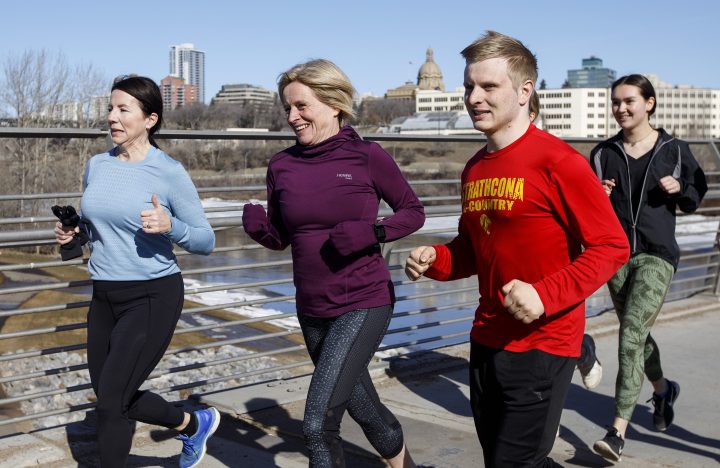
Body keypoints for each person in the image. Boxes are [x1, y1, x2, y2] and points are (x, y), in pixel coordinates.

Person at [404, 31, 629, 467]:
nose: (473, 97)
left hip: (545, 343)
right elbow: (472, 251)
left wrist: (545, 295)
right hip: (486, 336)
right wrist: (436, 260)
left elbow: (611, 247)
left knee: (513, 462)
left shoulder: (558, 161)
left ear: (526, 91)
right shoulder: (474, 168)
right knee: (502, 459)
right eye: (469, 85)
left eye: (489, 86)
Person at [242, 59, 424, 468]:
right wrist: (258, 228)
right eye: (287, 108)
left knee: (318, 424)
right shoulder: (281, 165)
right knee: (366, 410)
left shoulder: (367, 156)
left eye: (302, 106)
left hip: (363, 300)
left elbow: (413, 212)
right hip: (311, 307)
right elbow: (280, 238)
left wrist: (373, 232)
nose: (292, 117)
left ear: (334, 103)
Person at [54, 75, 219, 468]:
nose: (112, 117)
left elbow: (206, 240)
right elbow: (99, 229)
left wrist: (170, 226)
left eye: (123, 109)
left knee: (111, 402)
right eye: (110, 108)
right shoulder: (97, 165)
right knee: (114, 396)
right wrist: (74, 234)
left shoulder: (168, 171)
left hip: (151, 295)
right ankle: (192, 423)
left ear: (150, 119)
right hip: (105, 295)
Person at [589, 74, 707, 462]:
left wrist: (681, 190)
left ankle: (617, 430)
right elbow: (588, 210)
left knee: (630, 336)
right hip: (616, 255)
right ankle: (662, 390)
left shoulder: (674, 149)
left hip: (657, 254)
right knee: (635, 333)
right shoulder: (602, 153)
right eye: (616, 102)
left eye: (629, 101)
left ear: (649, 103)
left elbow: (696, 195)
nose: (621, 108)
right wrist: (599, 197)